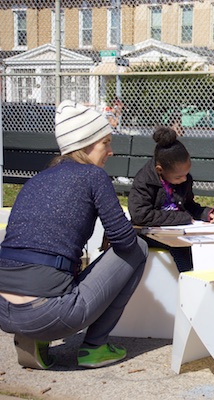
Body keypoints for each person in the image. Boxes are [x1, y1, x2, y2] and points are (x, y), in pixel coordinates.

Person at [0, 100, 149, 370]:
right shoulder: (93, 176)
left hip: (4, 310)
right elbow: (126, 242)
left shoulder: (38, 179)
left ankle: (34, 339)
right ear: (87, 144)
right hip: (48, 314)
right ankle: (95, 347)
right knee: (139, 247)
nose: (111, 151)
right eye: (106, 142)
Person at [128, 126, 214, 272]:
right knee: (181, 249)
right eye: (178, 177)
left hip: (179, 229)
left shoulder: (184, 180)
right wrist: (181, 218)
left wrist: (206, 213)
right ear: (160, 170)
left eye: (186, 174)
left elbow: (188, 205)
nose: (184, 179)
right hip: (150, 234)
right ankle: (187, 279)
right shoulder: (144, 181)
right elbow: (140, 215)